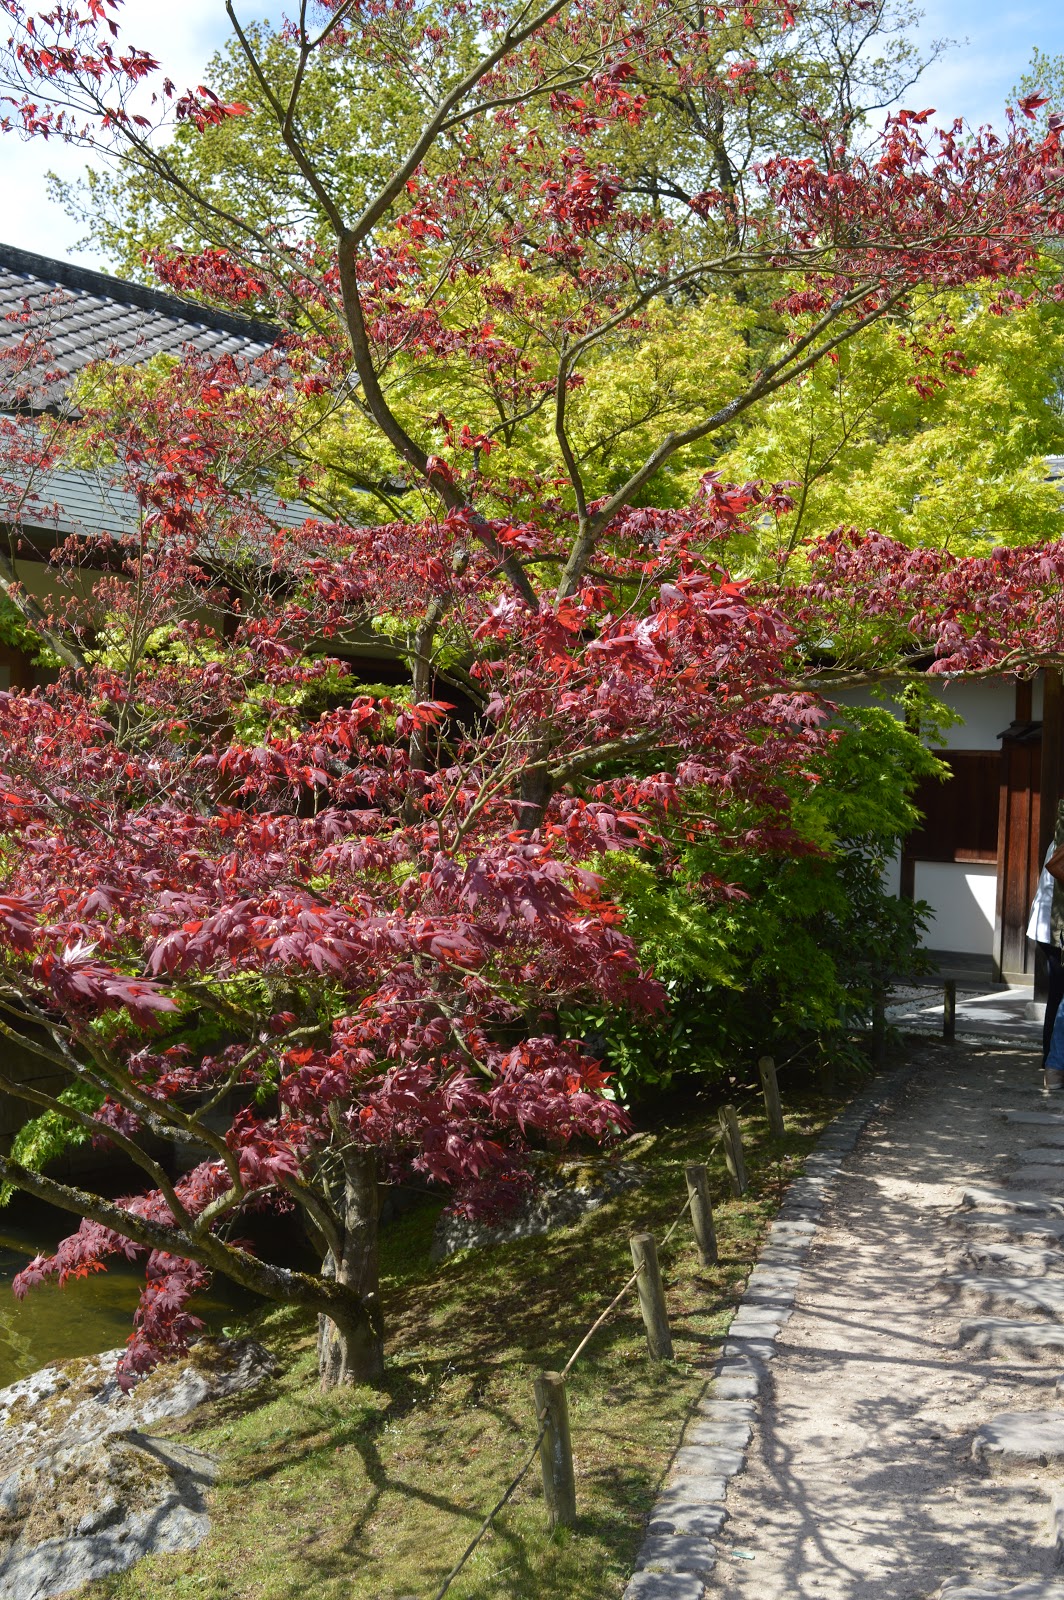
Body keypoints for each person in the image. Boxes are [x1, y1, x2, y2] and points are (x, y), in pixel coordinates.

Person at [1030, 801, 1064, 1089]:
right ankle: (1053, 1062)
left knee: (1056, 996)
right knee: (1058, 997)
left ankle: (1050, 1061)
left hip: (1049, 925)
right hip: (1055, 927)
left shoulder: (1058, 836)